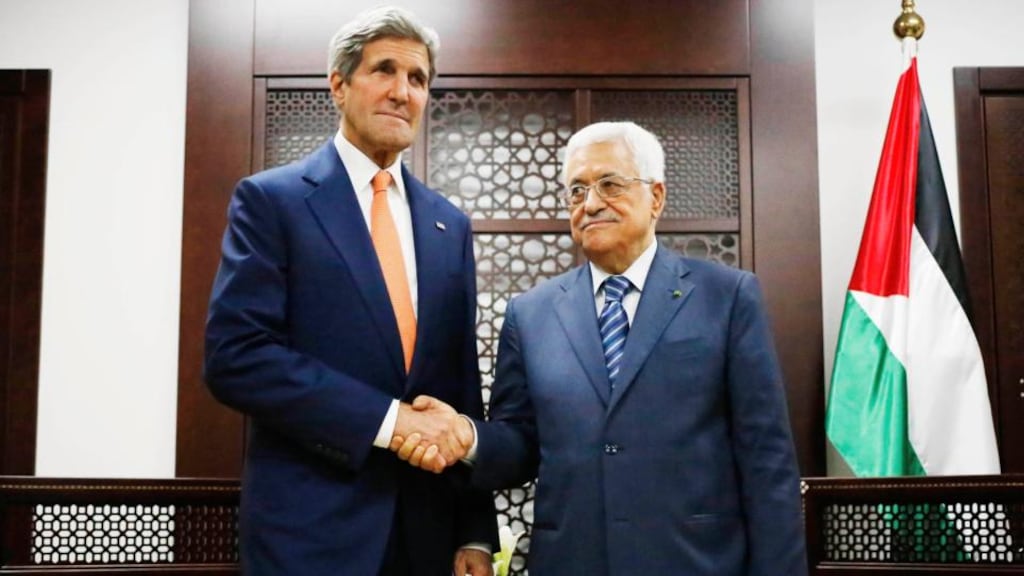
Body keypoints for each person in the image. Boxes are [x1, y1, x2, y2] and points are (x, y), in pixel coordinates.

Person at [398, 121, 807, 575]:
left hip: (695, 561)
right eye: (576, 191)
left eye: (609, 184)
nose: (590, 204)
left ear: (656, 197)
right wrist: (468, 438)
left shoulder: (727, 297)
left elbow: (767, 461)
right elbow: (522, 444)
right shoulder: (531, 314)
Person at [203, 6, 497, 576]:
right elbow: (236, 357)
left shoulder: (449, 225)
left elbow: (460, 387)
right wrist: (390, 421)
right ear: (338, 85)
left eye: (418, 79)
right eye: (383, 70)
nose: (402, 91)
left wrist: (476, 533)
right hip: (311, 536)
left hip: (428, 537)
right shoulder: (273, 202)